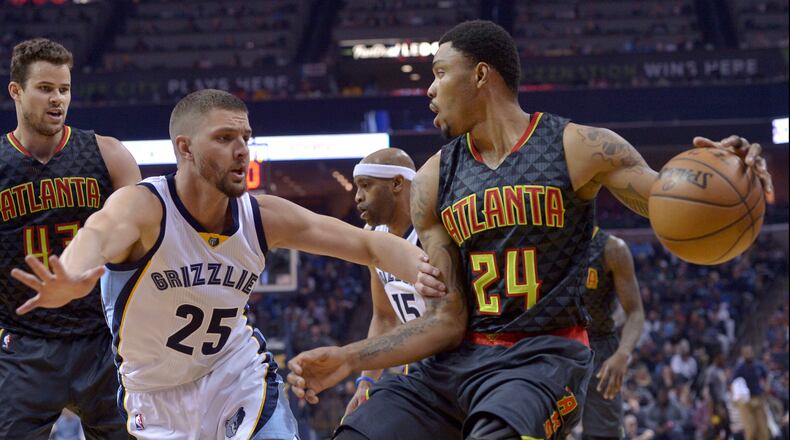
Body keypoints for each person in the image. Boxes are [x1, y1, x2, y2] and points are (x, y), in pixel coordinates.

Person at [287, 20, 773, 440]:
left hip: (543, 358)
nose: (429, 89)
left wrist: (729, 169)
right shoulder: (432, 180)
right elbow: (445, 321)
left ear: (480, 74)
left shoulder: (579, 146)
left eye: (438, 73)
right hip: (456, 361)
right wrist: (352, 360)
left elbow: (669, 198)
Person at [10, 89, 442, 439]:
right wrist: (70, 274)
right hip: (154, 395)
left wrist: (429, 270)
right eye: (223, 138)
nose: (241, 151)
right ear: (185, 148)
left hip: (237, 378)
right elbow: (98, 233)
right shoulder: (145, 208)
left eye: (245, 139)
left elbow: (370, 247)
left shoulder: (263, 215)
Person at [0, 38, 140, 439]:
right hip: (25, 343)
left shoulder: (107, 154)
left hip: (102, 339)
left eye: (64, 89)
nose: (57, 99)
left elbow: (146, 237)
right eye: (45, 88)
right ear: (16, 91)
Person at [345, 148, 424, 417]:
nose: (357, 197)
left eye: (366, 186)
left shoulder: (435, 231)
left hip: (457, 362)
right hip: (416, 369)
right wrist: (366, 381)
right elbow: (384, 316)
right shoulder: (373, 235)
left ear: (397, 184)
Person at [580, 227, 645, 440]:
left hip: (600, 347)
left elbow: (635, 311)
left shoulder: (612, 248)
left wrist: (623, 353)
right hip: (555, 344)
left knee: (604, 435)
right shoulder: (547, 241)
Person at [733, 344, 771, 440]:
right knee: (750, 428)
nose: (748, 354)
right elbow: (733, 383)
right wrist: (738, 396)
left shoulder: (758, 365)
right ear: (743, 354)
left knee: (763, 427)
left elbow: (766, 376)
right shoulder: (740, 368)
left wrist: (766, 388)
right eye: (746, 353)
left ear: (752, 353)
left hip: (758, 398)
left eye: (749, 352)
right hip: (746, 402)